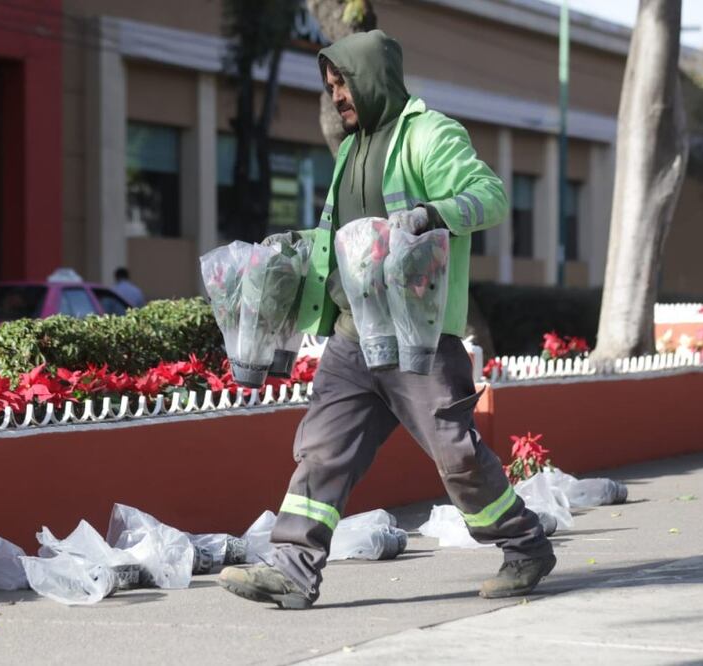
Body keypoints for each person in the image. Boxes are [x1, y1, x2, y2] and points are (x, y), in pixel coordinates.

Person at [218, 30, 554, 610]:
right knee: (321, 451)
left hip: (416, 334)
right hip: (354, 334)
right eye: (329, 88)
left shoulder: (430, 133)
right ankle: (292, 571)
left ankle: (525, 545)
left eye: (341, 84)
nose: (336, 98)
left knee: (457, 455)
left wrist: (430, 215)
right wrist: (290, 252)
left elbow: (490, 195)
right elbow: (337, 235)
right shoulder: (352, 148)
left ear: (370, 78)